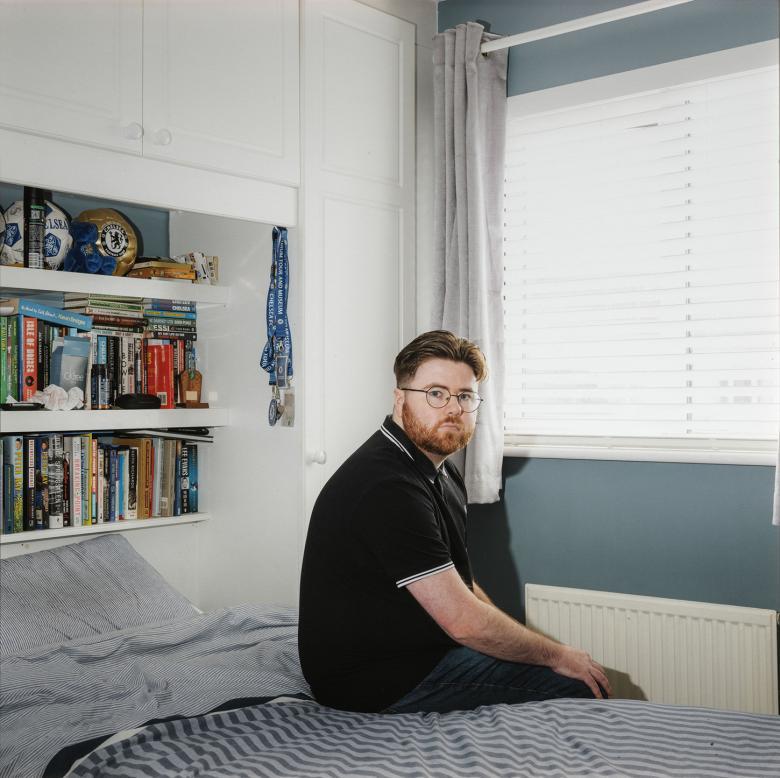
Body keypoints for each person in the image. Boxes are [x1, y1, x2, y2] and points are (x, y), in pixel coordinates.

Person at [298, 330, 611, 713]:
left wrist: (522, 646)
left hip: (420, 649)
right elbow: (464, 622)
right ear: (400, 399)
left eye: (464, 396)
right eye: (435, 393)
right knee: (576, 685)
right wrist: (555, 655)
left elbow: (460, 587)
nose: (453, 408)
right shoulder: (386, 485)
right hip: (371, 679)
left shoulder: (440, 470)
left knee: (551, 666)